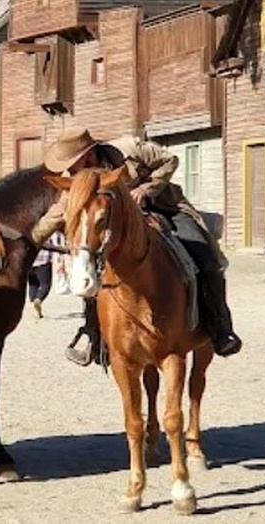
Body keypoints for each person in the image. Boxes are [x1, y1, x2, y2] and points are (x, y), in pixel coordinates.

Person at [35, 128, 241, 365]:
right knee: (91, 271)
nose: (70, 170)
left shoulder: (129, 149)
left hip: (165, 208)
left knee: (206, 256)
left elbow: (169, 160)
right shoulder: (81, 180)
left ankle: (219, 326)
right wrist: (33, 237)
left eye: (72, 164)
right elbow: (58, 212)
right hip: (118, 225)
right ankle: (94, 336)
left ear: (87, 155)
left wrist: (146, 189)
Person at [28, 232, 63, 318]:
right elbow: (57, 246)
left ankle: (33, 304)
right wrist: (60, 261)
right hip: (44, 262)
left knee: (33, 284)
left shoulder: (33, 226)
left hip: (30, 262)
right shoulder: (52, 231)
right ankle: (38, 300)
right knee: (45, 285)